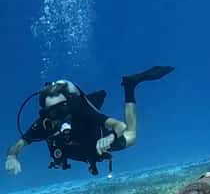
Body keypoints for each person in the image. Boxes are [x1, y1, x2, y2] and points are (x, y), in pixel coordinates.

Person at [5, 65, 173, 177]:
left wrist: (110, 137)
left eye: (63, 108)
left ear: (70, 105)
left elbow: (119, 125)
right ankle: (111, 92)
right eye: (53, 112)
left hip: (97, 142)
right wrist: (11, 157)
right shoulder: (44, 124)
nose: (60, 116)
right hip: (80, 150)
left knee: (132, 136)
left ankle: (130, 86)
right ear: (45, 113)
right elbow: (18, 145)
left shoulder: (82, 113)